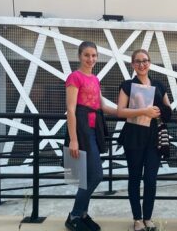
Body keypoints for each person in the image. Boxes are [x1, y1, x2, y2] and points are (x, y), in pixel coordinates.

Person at [117, 49, 171, 231]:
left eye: (145, 60)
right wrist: (143, 111)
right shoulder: (127, 85)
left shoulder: (159, 85)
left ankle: (148, 217)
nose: (142, 64)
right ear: (132, 64)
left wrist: (156, 111)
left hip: (154, 139)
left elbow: (169, 111)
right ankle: (137, 219)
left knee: (150, 179)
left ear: (150, 63)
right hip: (133, 137)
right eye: (138, 61)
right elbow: (120, 111)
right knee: (134, 178)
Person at [65, 41, 116, 231]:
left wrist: (129, 112)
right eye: (87, 55)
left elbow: (101, 106)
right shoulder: (74, 77)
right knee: (96, 175)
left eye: (94, 55)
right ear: (79, 56)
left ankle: (83, 214)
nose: (91, 59)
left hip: (95, 130)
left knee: (88, 176)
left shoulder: (95, 79)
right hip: (81, 130)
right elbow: (70, 110)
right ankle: (75, 215)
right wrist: (74, 139)